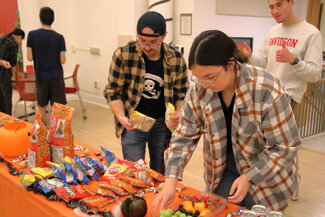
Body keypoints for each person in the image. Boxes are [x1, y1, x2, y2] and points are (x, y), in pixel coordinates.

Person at [152, 30, 301, 212]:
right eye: (198, 77)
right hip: (223, 166)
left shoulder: (266, 89)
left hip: (267, 173)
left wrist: (250, 177)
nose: (204, 84)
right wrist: (170, 181)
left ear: (231, 64)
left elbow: (284, 147)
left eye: (210, 77)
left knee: (257, 211)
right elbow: (183, 138)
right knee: (222, 209)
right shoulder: (199, 89)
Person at [103, 11, 189, 174]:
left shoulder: (176, 58)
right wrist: (121, 116)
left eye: (153, 42)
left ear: (164, 36)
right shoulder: (124, 54)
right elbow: (113, 91)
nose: (147, 46)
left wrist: (178, 114)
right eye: (142, 41)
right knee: (135, 172)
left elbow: (182, 93)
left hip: (162, 124)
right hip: (133, 121)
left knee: (161, 171)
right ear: (137, 34)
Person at [238, 0, 323, 112]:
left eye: (279, 5)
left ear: (291, 2)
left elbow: (315, 75)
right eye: (271, 7)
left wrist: (294, 60)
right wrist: (249, 56)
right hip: (266, 90)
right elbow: (263, 63)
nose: (275, 11)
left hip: (288, 95)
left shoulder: (311, 33)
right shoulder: (273, 31)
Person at [27, 7, 67, 119]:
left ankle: (39, 133)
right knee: (58, 107)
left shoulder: (32, 35)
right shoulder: (59, 37)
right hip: (56, 76)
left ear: (40, 18)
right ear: (53, 19)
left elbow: (29, 57)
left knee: (42, 106)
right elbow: (62, 61)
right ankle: (56, 134)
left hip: (41, 76)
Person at [0, 28, 25, 115]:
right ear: (19, 36)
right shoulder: (13, 43)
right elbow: (13, 62)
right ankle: (8, 117)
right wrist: (15, 76)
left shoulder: (4, 38)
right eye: (21, 40)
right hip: (3, 72)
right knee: (7, 96)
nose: (20, 42)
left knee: (1, 96)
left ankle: (2, 116)